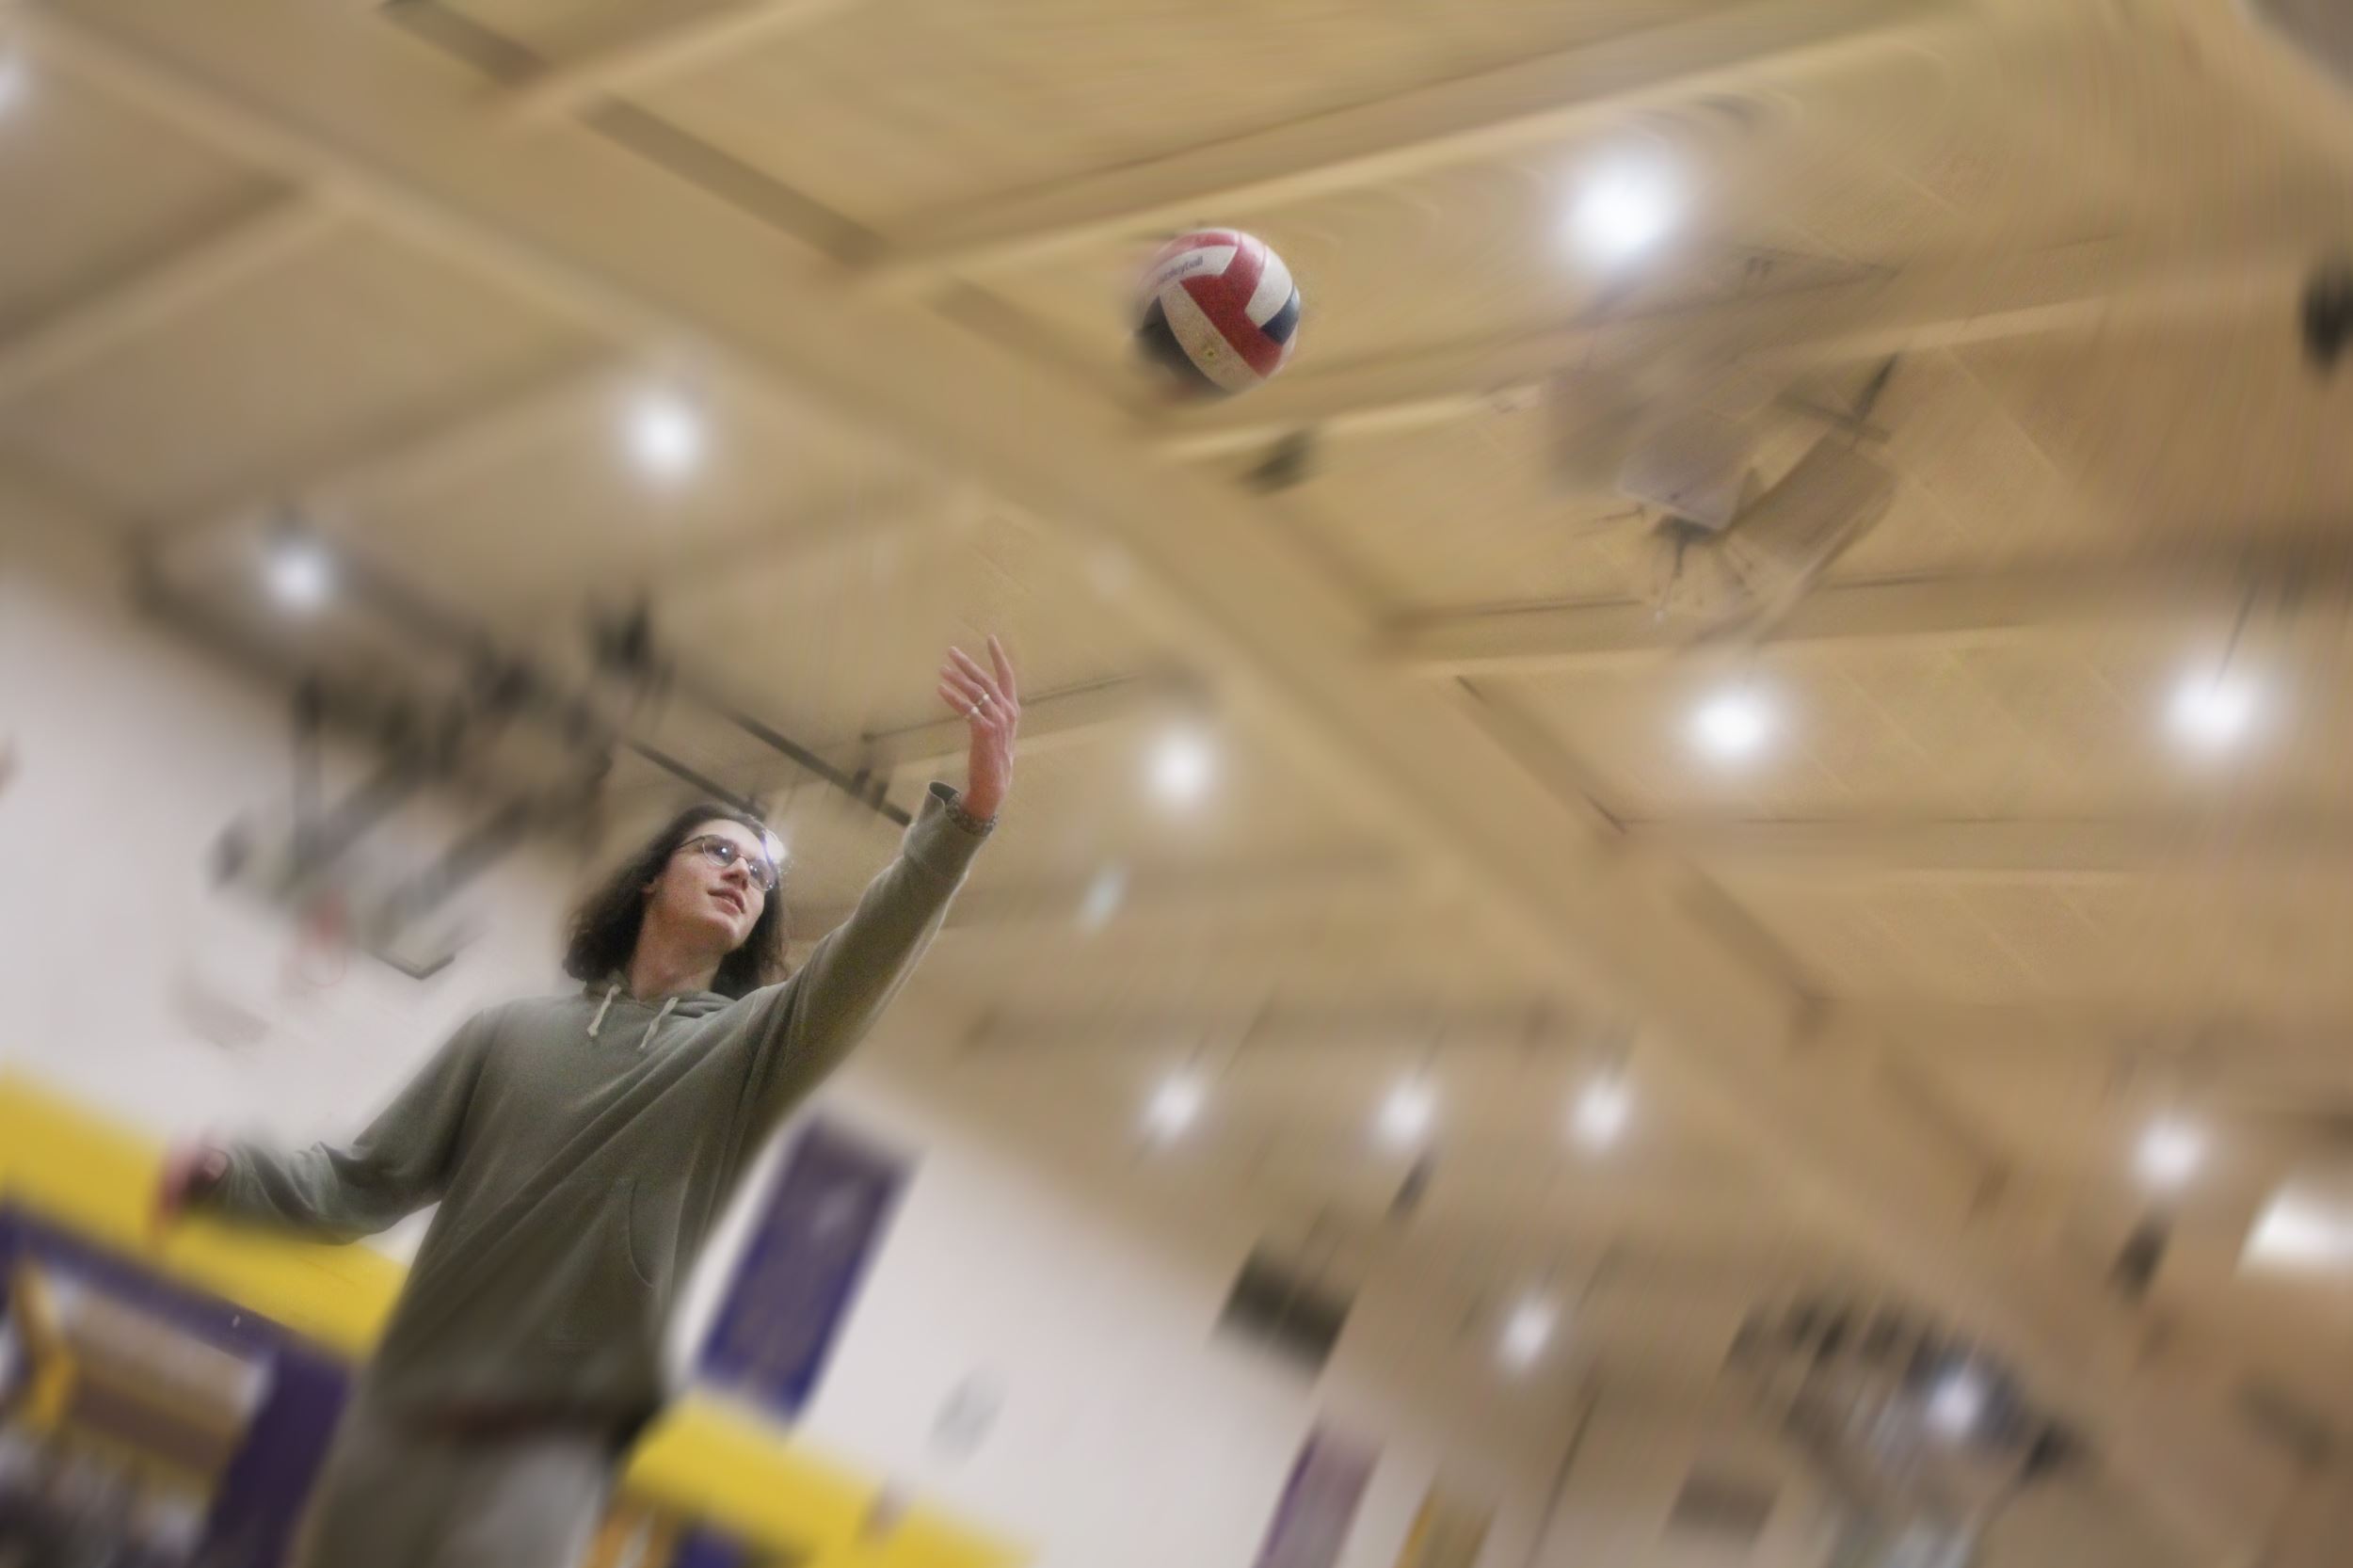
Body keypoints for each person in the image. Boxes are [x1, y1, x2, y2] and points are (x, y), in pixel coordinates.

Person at [152, 638, 1022, 1568]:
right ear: (652, 876)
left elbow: (864, 958)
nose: (743, 874)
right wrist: (230, 1176)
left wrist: (965, 820)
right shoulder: (508, 1034)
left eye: (761, 877)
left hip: (552, 1444)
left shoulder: (744, 1053)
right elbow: (365, 1180)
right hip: (402, 1413)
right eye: (718, 852)